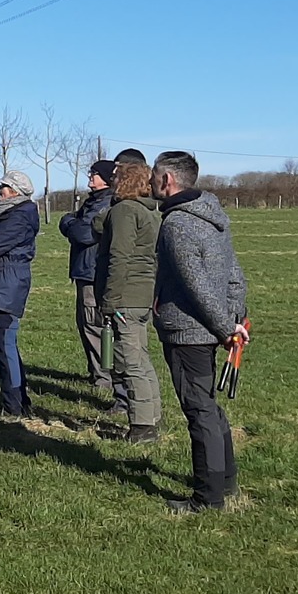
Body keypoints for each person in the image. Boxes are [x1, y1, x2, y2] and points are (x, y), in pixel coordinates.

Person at [151, 150, 249, 514]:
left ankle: (208, 498)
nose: (150, 182)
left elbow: (197, 286)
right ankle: (225, 482)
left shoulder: (177, 224)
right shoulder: (213, 215)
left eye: (154, 176)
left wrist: (226, 328)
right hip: (211, 326)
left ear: (167, 180)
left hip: (189, 331)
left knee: (200, 411)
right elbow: (235, 275)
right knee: (209, 407)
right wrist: (234, 319)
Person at [96, 159, 162, 443]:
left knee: (130, 361)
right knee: (141, 357)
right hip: (144, 294)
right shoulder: (149, 211)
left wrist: (110, 300)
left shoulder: (125, 211)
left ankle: (142, 426)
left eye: (115, 177)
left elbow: (119, 257)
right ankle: (153, 415)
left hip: (126, 296)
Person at [60, 159, 118, 405]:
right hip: (85, 271)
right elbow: (72, 222)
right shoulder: (92, 202)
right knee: (86, 324)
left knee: (94, 325)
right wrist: (71, 221)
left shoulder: (105, 204)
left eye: (94, 174)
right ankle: (98, 372)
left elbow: (84, 233)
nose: (90, 178)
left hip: (93, 272)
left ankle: (104, 378)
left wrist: (70, 222)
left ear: (105, 178)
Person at [0, 170, 41, 416]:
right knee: (4, 343)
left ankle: (13, 405)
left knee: (4, 343)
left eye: (3, 188)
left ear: (15, 192)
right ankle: (19, 400)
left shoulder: (18, 216)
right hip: (4, 283)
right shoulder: (15, 213)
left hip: (8, 285)